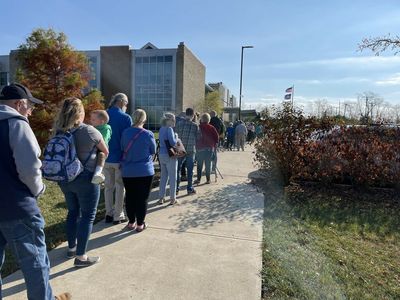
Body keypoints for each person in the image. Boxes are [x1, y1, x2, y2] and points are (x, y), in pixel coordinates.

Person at [0, 83, 71, 299]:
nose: (31, 111)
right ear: (19, 104)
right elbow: (29, 169)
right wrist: (38, 190)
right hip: (18, 208)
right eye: (30, 106)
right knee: (35, 264)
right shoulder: (16, 124)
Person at [54, 97, 109, 268]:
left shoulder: (59, 131)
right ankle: (81, 257)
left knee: (72, 212)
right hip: (86, 178)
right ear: (80, 112)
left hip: (65, 179)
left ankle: (71, 248)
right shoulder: (89, 130)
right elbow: (105, 150)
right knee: (87, 216)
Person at [120, 109, 156, 231]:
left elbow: (122, 147)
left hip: (128, 171)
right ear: (144, 119)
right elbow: (153, 150)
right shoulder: (148, 134)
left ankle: (131, 222)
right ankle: (140, 224)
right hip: (145, 170)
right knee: (142, 198)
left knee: (130, 196)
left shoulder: (125, 133)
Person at [104, 93, 132, 224]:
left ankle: (108, 213)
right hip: (120, 158)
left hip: (105, 157)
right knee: (120, 186)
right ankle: (118, 215)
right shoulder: (126, 118)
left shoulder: (104, 114)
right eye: (126, 103)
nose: (126, 106)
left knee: (108, 187)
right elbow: (128, 140)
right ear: (121, 102)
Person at [175, 108, 200, 195]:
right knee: (190, 170)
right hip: (190, 149)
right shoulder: (195, 125)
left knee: (177, 169)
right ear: (193, 115)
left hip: (180, 148)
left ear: (185, 114)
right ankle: (189, 188)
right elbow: (198, 138)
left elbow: (175, 136)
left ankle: (176, 188)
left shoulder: (179, 124)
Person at [157, 113, 178, 205]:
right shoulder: (170, 129)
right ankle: (172, 198)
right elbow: (173, 142)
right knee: (173, 177)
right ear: (168, 120)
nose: (174, 121)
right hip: (170, 155)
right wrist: (176, 137)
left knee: (163, 177)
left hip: (161, 154)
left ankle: (161, 197)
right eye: (173, 120)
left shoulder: (161, 129)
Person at [194, 113, 219, 185]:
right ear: (209, 120)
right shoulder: (211, 127)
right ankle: (208, 179)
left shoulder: (199, 127)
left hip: (200, 148)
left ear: (201, 119)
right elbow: (216, 138)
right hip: (209, 149)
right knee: (208, 164)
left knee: (199, 164)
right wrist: (215, 145)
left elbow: (196, 136)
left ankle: (198, 179)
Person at [89, 110, 112, 184]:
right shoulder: (93, 128)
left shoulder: (106, 128)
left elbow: (103, 140)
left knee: (101, 156)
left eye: (93, 120)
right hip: (93, 147)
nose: (91, 121)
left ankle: (98, 173)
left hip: (101, 149)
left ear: (101, 122)